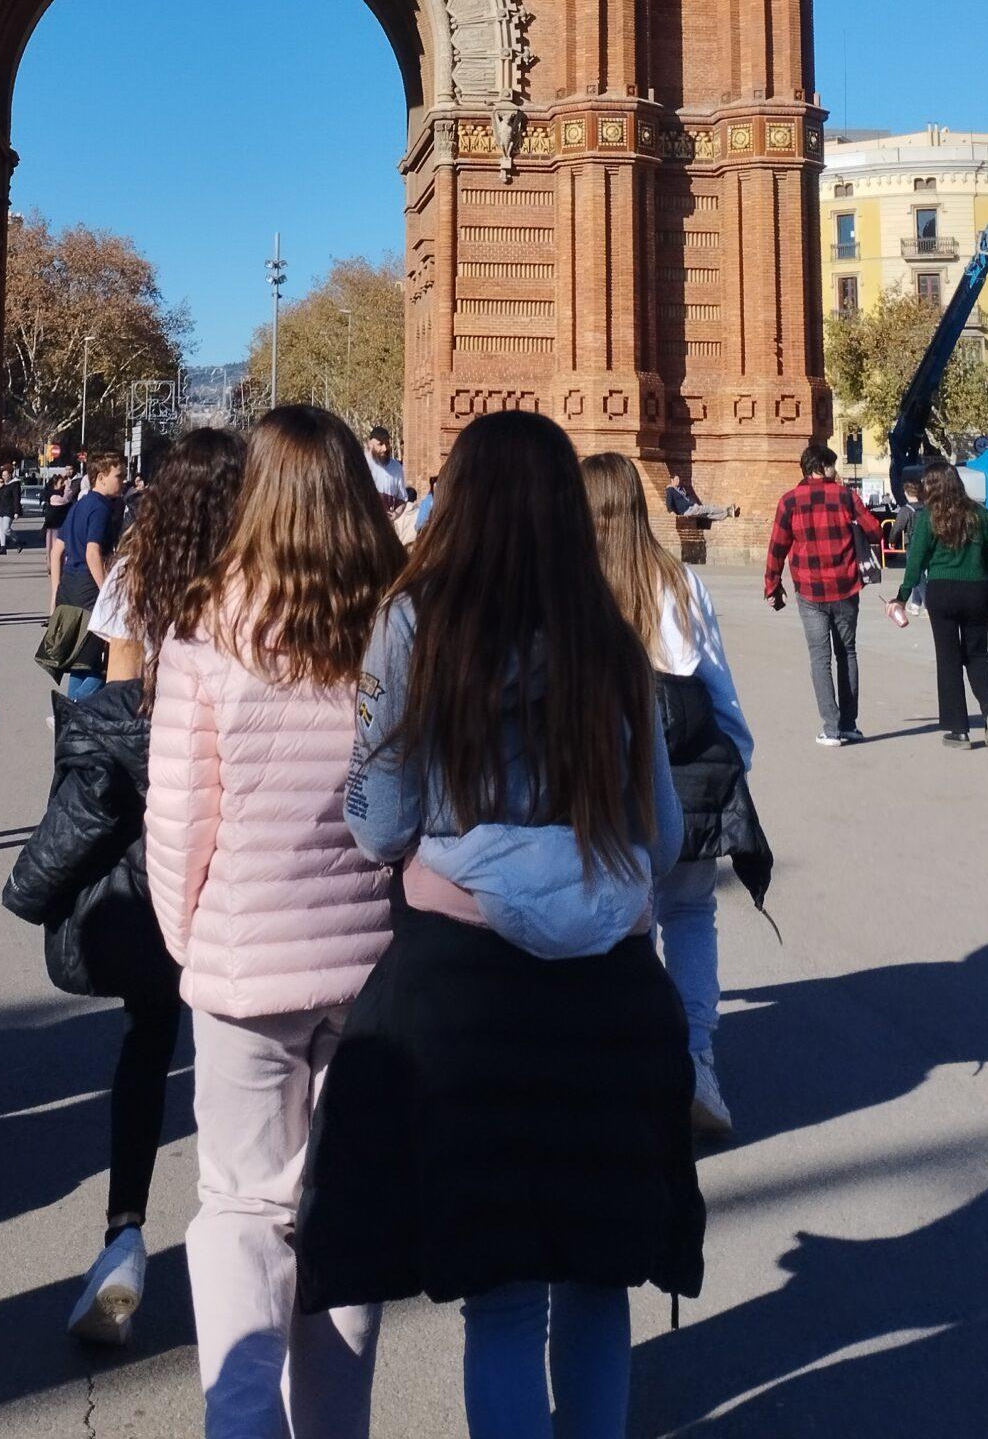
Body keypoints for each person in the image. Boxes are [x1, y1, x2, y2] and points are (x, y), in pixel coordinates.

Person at [297, 411, 703, 1439]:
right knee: (600, 1280)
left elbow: (379, 821)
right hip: (610, 989)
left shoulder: (410, 622)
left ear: (459, 502)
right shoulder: (608, 633)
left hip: (465, 988)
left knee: (506, 1299)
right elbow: (660, 835)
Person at [146, 407, 400, 1436]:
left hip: (244, 965)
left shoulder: (205, 627)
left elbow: (178, 820)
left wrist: (195, 946)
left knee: (242, 1208)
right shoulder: (396, 622)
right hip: (374, 971)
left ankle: (241, 1420)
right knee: (348, 1211)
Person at [4, 428, 247, 1347]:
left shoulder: (135, 580)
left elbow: (120, 714)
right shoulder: (264, 583)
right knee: (238, 1051)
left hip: (155, 846)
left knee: (149, 1041)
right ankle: (241, 1234)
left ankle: (124, 1238)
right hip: (239, 841)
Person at [584, 450, 769, 1143]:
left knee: (612, 929)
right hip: (687, 773)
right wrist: (736, 763)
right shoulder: (678, 581)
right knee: (689, 915)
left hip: (600, 782)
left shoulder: (569, 587)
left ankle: (623, 1071)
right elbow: (716, 682)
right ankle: (695, 1062)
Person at [764, 443, 883, 745]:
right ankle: (849, 725)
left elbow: (777, 546)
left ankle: (831, 729)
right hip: (845, 587)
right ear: (821, 467)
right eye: (832, 465)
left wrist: (772, 584)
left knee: (820, 658)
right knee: (847, 653)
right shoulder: (846, 496)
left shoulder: (789, 501)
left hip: (810, 591)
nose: (835, 471)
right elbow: (875, 531)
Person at [888, 464, 988, 747]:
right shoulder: (979, 513)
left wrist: (902, 596)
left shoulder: (929, 516)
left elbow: (916, 560)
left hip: (942, 592)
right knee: (977, 655)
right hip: (977, 590)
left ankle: (959, 730)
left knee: (948, 659)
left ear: (932, 486)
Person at [50, 452, 124, 621]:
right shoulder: (101, 509)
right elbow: (92, 553)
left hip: (67, 587)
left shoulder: (79, 505)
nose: (123, 481)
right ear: (101, 477)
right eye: (119, 476)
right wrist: (106, 593)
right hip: (89, 589)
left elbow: (56, 551)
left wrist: (55, 593)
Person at [664, 473, 739, 525]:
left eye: (678, 479)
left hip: (692, 507)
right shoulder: (670, 490)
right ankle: (726, 509)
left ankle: (728, 514)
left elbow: (689, 497)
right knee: (708, 508)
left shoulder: (681, 489)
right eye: (676, 479)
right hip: (686, 510)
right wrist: (673, 514)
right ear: (672, 480)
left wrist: (694, 503)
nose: (678, 481)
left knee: (708, 515)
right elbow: (668, 503)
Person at [364, 425, 408, 507]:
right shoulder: (362, 465)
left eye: (387, 443)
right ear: (370, 444)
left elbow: (402, 500)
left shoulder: (396, 467)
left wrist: (395, 513)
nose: (385, 448)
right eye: (380, 444)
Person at [0, 463, 20, 556]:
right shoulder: (2, 485)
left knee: (6, 528)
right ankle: (3, 548)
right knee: (1, 529)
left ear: (10, 475)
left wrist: (16, 511)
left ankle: (17, 541)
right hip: (0, 509)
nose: (4, 477)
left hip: (9, 509)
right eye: (3, 475)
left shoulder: (15, 484)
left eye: (5, 475)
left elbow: (17, 498)